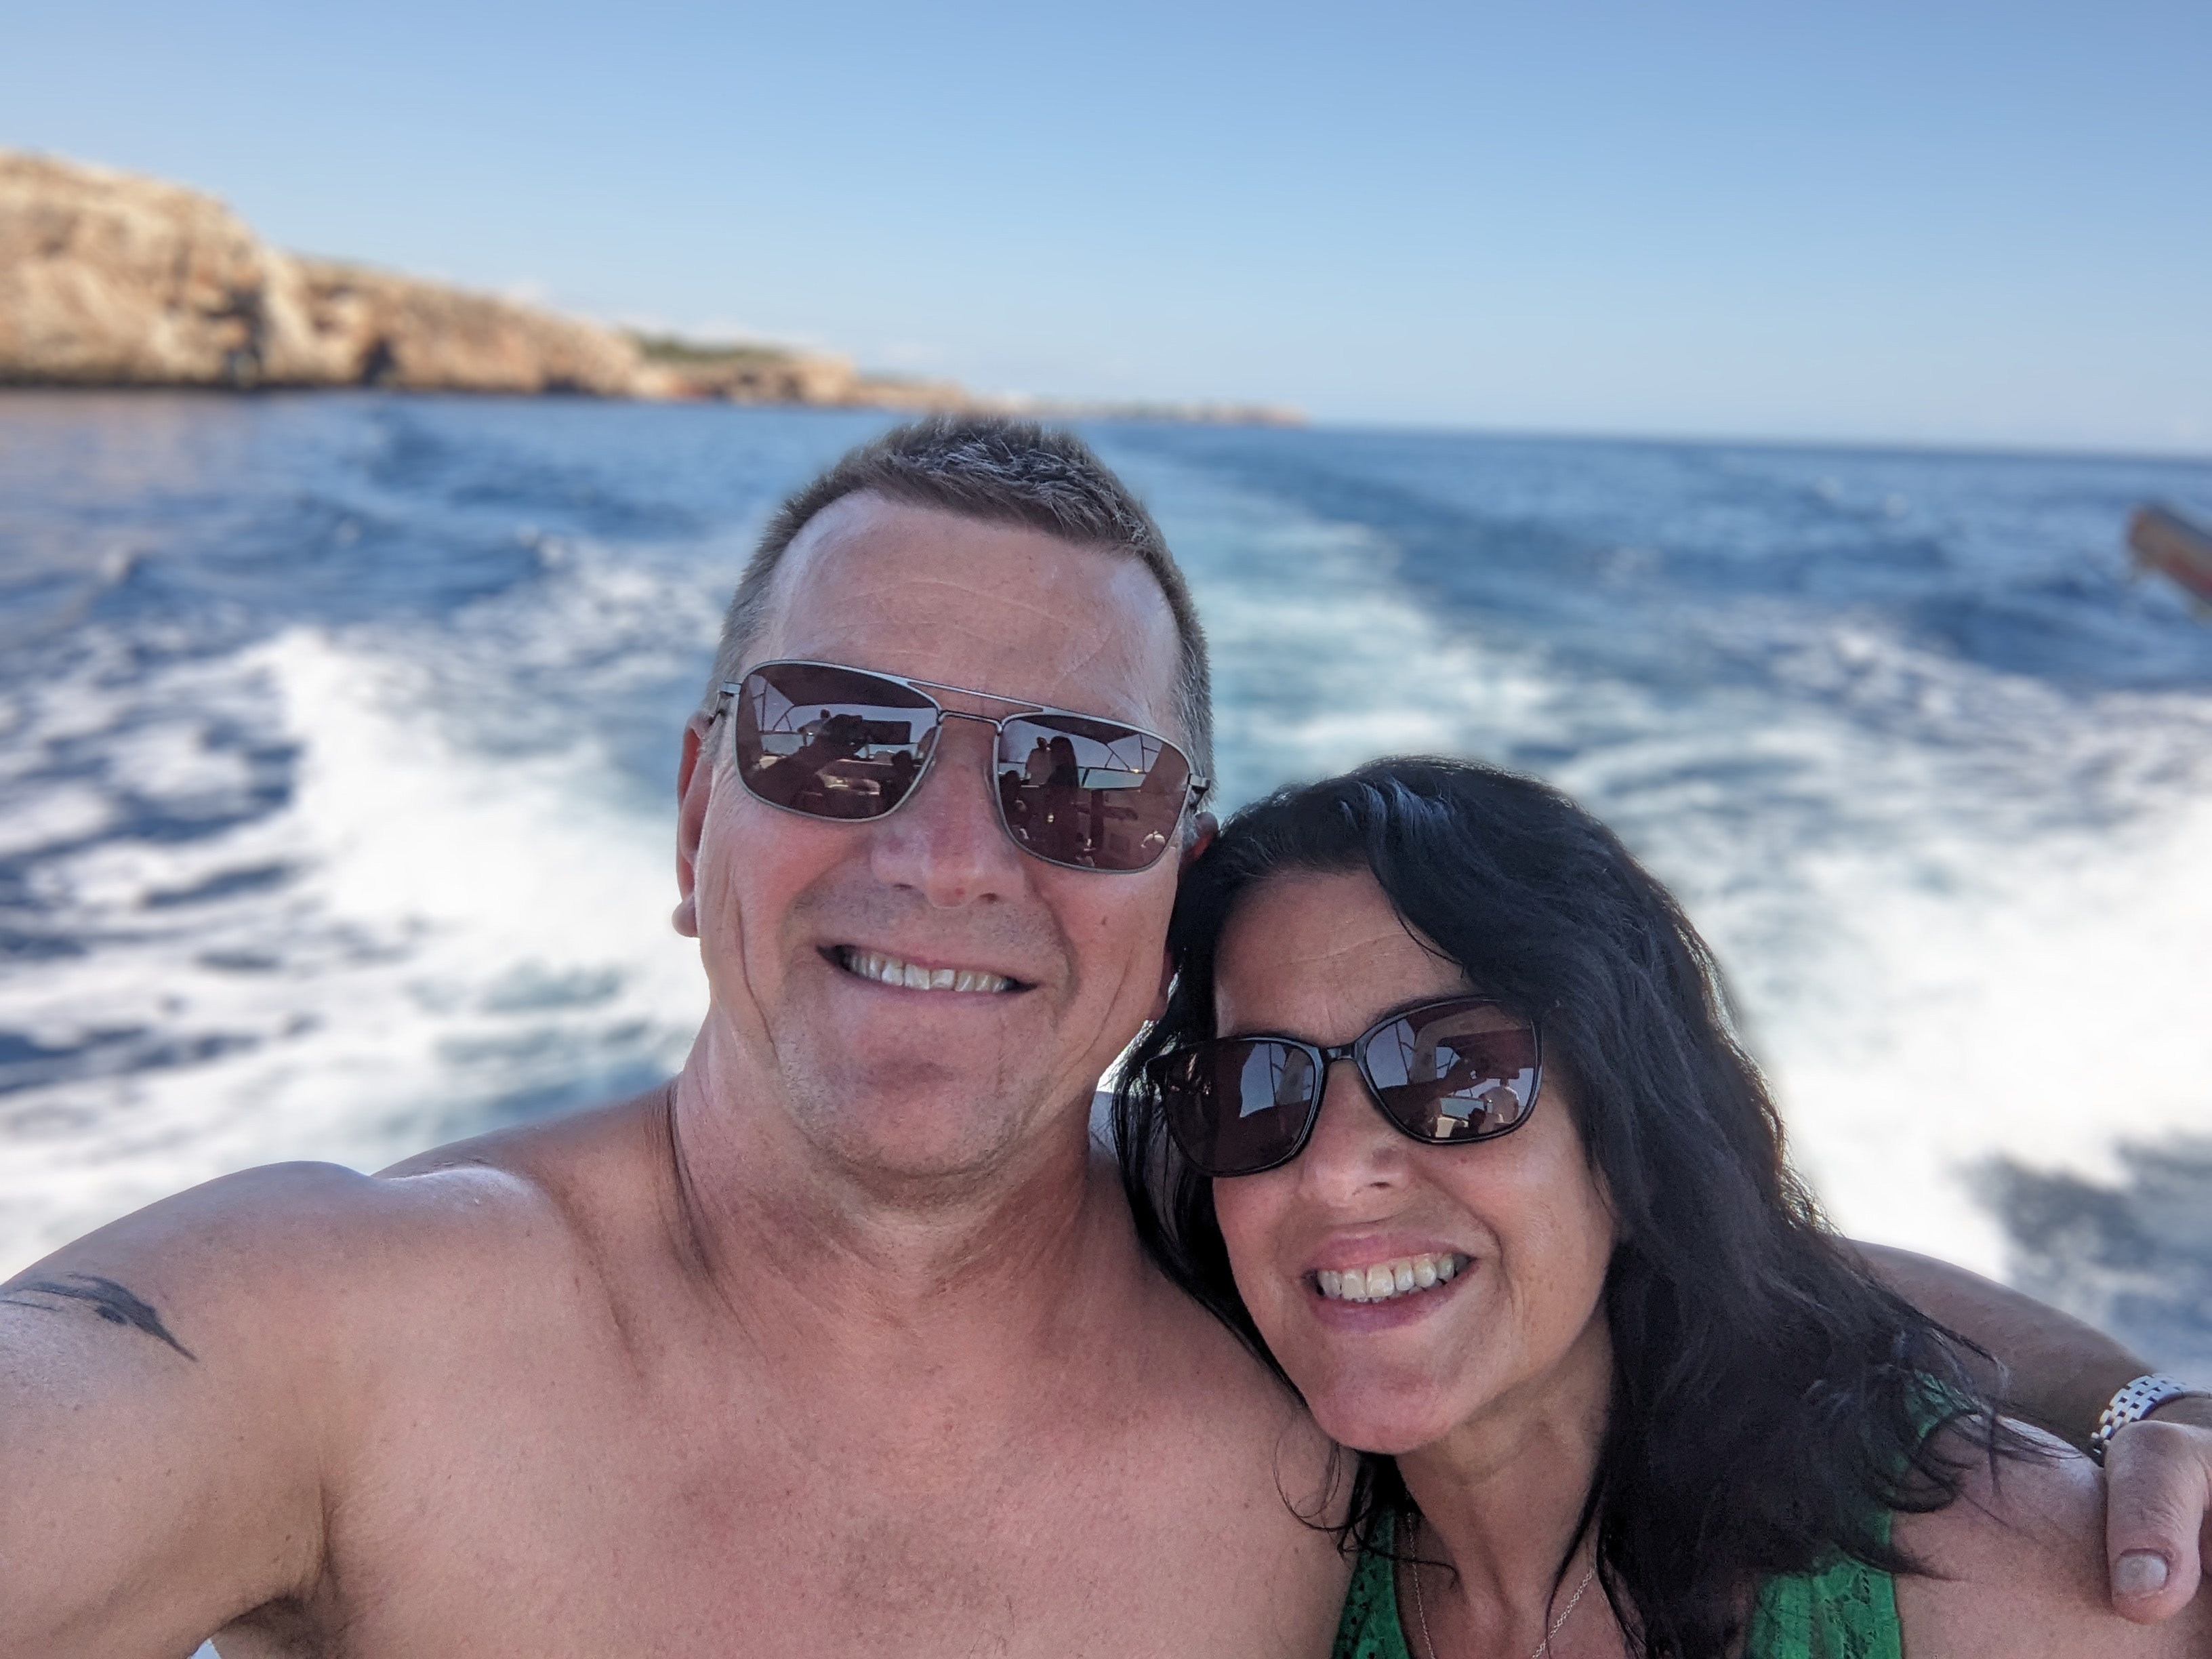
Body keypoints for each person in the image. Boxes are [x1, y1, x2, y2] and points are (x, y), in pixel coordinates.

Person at [1, 419, 2205, 1658]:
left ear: (1166, 891)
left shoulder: (1279, 1307)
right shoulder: (350, 1341)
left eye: (1076, 782)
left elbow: (1704, 1272)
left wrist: (2133, 1399)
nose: (951, 850)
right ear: (693, 816)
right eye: (841, 736)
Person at [1114, 756, 2212, 1658]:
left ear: (1632, 1132)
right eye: (1253, 1088)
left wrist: (2147, 1404)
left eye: (1455, 1071)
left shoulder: (2020, 1591)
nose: (1333, 1172)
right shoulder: (1253, 1590)